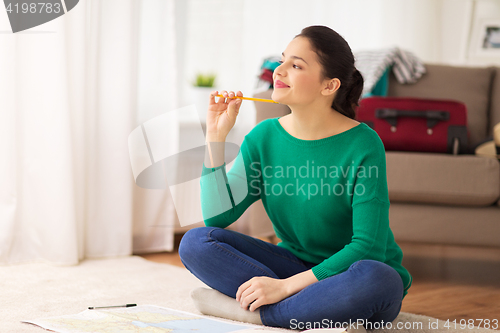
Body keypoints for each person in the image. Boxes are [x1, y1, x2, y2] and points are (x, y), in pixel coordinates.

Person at [179, 25, 412, 330]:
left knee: (379, 278)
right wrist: (215, 137)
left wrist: (285, 288)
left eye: (296, 65)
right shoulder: (263, 137)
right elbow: (217, 218)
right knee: (195, 242)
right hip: (291, 266)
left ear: (328, 86)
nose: (280, 70)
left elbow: (368, 248)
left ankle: (259, 312)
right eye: (282, 60)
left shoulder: (363, 144)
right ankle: (302, 308)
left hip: (351, 274)